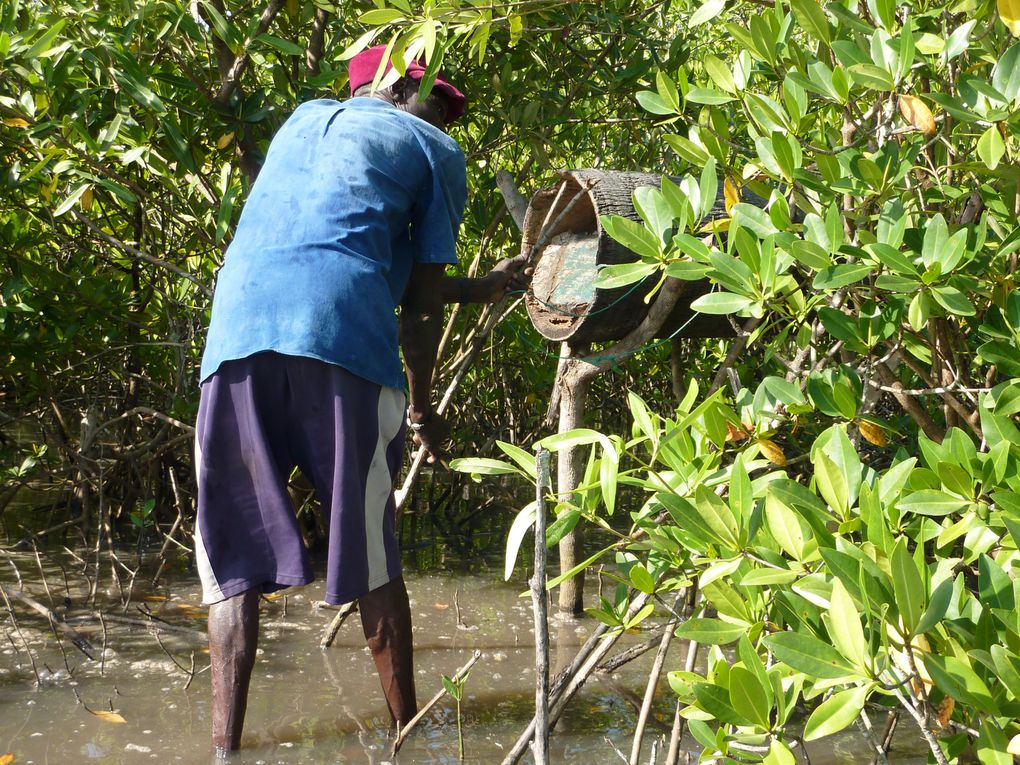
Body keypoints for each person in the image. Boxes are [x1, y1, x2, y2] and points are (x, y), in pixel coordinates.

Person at [194, 45, 529, 756]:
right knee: (374, 557)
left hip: (234, 337)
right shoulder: (433, 149)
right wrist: (424, 407)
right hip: (342, 339)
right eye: (436, 102)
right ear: (398, 92)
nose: (445, 120)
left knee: (230, 565)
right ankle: (406, 738)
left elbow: (361, 258)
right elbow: (421, 313)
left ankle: (223, 750)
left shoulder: (302, 122)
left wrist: (488, 284)